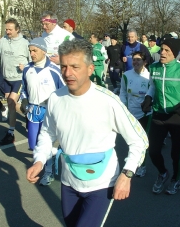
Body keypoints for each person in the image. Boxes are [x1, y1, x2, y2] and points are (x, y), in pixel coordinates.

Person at [26, 39, 148, 227]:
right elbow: (47, 134)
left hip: (102, 184)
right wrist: (40, 160)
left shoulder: (108, 101)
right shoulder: (55, 98)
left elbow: (139, 140)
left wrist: (127, 174)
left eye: (75, 67)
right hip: (69, 183)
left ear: (90, 69)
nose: (68, 73)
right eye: (64, 66)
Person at [141, 37, 180, 195]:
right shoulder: (154, 68)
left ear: (175, 53)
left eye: (167, 50)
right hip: (159, 114)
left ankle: (175, 180)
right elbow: (153, 87)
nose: (163, 53)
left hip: (177, 116)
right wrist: (148, 97)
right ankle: (163, 173)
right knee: (152, 150)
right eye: (162, 49)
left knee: (175, 153)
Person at [20, 37, 65, 186]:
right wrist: (24, 101)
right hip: (33, 111)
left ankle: (48, 172)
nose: (32, 54)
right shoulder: (27, 69)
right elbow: (24, 89)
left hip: (49, 112)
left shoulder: (54, 70)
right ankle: (48, 159)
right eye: (30, 51)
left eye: (35, 51)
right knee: (34, 145)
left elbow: (64, 91)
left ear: (44, 51)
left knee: (47, 143)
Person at [0, 18, 31, 145]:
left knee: (11, 101)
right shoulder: (3, 41)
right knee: (12, 106)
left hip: (18, 79)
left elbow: (32, 60)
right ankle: (27, 114)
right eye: (6, 29)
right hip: (5, 77)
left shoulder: (25, 43)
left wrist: (25, 66)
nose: (7, 32)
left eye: (10, 29)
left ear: (17, 29)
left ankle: (10, 132)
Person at [119, 51, 152, 177]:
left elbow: (153, 93)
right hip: (131, 114)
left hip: (145, 114)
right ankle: (132, 162)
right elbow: (123, 92)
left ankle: (142, 166)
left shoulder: (149, 77)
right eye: (134, 60)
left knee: (143, 140)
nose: (135, 62)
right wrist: (123, 107)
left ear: (145, 62)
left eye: (138, 60)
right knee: (132, 140)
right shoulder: (127, 75)